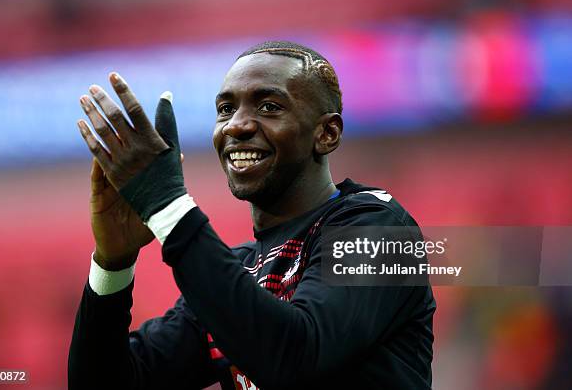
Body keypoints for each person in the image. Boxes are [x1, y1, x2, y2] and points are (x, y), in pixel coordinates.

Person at [68, 41, 436, 390]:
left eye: (269, 107)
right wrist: (112, 265)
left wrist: (168, 206)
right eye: (226, 109)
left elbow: (295, 356)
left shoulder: (383, 230)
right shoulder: (240, 270)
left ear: (326, 133)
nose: (237, 126)